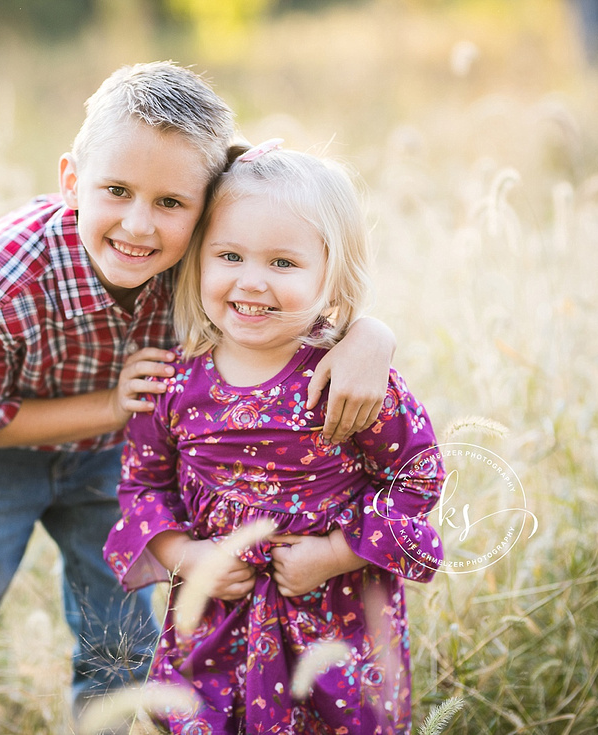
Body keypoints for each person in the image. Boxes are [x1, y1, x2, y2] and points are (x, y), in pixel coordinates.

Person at [0, 63, 398, 735]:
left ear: (207, 206)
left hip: (117, 464)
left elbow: (293, 259)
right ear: (71, 181)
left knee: (118, 648)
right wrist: (113, 406)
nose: (139, 225)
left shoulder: (215, 255)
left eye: (171, 203)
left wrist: (371, 333)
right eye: (115, 191)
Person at [104, 141, 445, 734]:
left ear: (331, 280)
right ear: (199, 261)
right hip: (218, 622)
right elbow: (142, 488)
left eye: (283, 264)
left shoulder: (348, 380)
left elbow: (417, 475)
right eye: (230, 255)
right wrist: (190, 557)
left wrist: (335, 555)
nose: (252, 282)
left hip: (334, 623)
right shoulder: (172, 383)